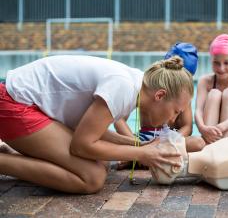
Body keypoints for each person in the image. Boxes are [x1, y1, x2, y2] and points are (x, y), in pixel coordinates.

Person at [0, 55, 193, 193]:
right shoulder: (123, 88)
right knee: (92, 178)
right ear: (160, 95)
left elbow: (92, 131)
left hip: (29, 105)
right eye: (176, 111)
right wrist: (142, 153)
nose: (173, 120)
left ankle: (10, 154)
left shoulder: (136, 84)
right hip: (12, 103)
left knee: (101, 162)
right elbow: (82, 145)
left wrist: (137, 145)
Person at [114, 42, 203, 154]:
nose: (173, 119)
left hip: (169, 139)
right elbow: (119, 120)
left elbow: (187, 126)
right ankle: (143, 156)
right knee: (112, 143)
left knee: (198, 143)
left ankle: (141, 159)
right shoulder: (148, 88)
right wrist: (135, 143)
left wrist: (171, 140)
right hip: (144, 138)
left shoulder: (185, 98)